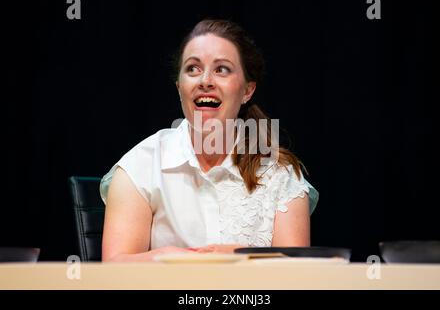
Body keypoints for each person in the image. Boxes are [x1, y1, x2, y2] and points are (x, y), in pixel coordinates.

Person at [99, 19, 319, 262]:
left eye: (221, 69)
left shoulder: (280, 175)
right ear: (179, 87)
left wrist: (241, 257)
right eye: (193, 68)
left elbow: (296, 276)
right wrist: (182, 258)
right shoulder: (141, 165)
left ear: (247, 90)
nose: (205, 81)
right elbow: (115, 268)